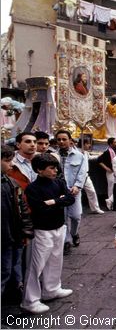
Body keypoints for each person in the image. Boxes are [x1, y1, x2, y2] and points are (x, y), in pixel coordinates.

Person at [22, 153, 75, 314]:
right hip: (42, 230)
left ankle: (51, 289)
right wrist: (60, 200)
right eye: (51, 168)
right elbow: (40, 208)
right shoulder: (32, 188)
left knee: (55, 260)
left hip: (58, 227)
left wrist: (54, 201)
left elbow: (70, 198)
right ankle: (30, 301)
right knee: (35, 266)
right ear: (39, 170)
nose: (55, 170)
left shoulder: (57, 182)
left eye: (55, 167)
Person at [1, 145, 33, 297]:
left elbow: (22, 207)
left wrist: (25, 230)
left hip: (12, 235)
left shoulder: (10, 182)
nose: (11, 165)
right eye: (7, 161)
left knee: (10, 268)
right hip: (5, 238)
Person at [55, 130, 87, 255]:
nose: (61, 142)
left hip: (73, 191)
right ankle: (66, 241)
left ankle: (74, 233)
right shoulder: (54, 156)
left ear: (70, 140)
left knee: (76, 215)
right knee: (62, 218)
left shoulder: (80, 155)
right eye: (59, 139)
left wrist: (77, 186)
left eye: (64, 139)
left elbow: (82, 172)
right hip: (58, 191)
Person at [78, 138, 104, 214]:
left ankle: (95, 209)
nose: (89, 145)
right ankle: (78, 210)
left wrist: (100, 155)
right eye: (88, 143)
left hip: (86, 176)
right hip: (78, 176)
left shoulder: (86, 152)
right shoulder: (77, 152)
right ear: (84, 144)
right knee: (78, 194)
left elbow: (90, 158)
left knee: (92, 192)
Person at [98, 137, 116, 210]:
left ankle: (112, 202)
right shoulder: (107, 151)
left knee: (115, 187)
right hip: (110, 172)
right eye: (115, 142)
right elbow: (99, 160)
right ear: (111, 143)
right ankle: (109, 203)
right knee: (111, 187)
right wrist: (106, 168)